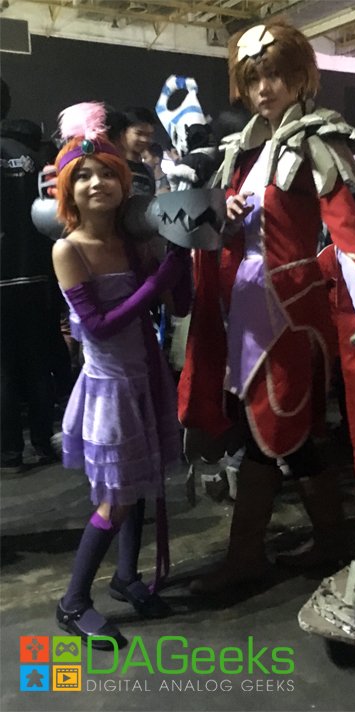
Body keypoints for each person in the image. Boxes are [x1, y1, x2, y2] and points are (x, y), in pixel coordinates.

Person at [178, 21, 355, 594]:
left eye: (275, 75)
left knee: (272, 429)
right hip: (249, 310)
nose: (264, 89)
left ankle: (247, 555)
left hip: (288, 310)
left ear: (300, 76)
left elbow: (347, 235)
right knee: (288, 433)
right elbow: (234, 237)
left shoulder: (315, 141)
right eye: (254, 78)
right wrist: (227, 218)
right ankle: (327, 539)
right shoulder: (245, 149)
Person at [52, 103, 191, 648]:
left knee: (140, 484)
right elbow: (99, 326)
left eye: (107, 173)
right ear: (67, 189)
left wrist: (183, 254)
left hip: (147, 376)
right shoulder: (68, 249)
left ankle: (127, 577)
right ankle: (72, 602)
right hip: (110, 390)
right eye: (83, 175)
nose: (97, 183)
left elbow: (180, 305)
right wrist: (158, 280)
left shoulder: (135, 243)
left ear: (123, 181)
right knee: (116, 498)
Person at [0, 113, 61, 473]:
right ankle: (43, 442)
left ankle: (9, 452)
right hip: (38, 275)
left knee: (3, 368)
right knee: (39, 363)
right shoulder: (38, 162)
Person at [122, 106, 156, 196]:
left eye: (149, 135)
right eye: (139, 133)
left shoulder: (148, 170)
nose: (145, 139)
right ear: (123, 132)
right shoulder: (114, 165)